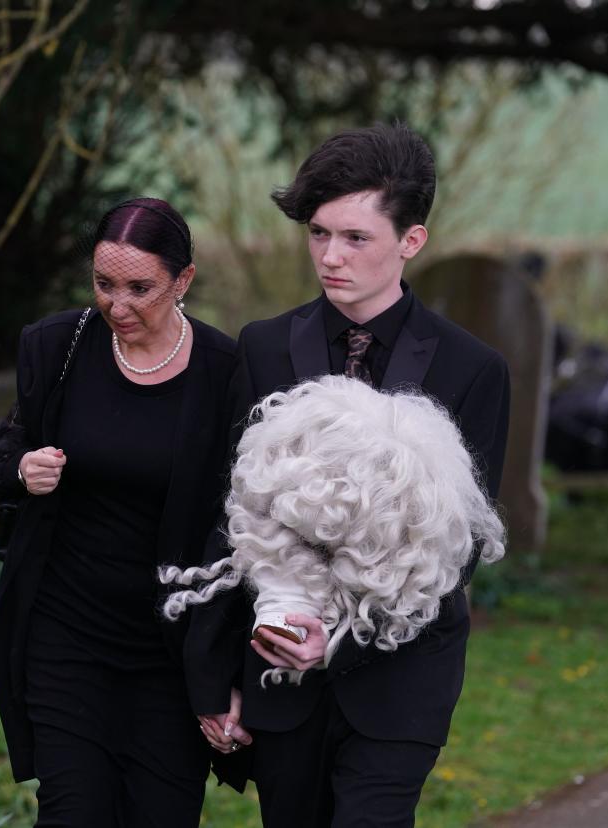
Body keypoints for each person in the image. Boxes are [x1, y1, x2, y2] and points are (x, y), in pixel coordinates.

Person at [184, 123, 511, 827]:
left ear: (411, 241)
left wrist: (337, 641)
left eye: (355, 238)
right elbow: (227, 514)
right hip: (277, 670)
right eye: (317, 233)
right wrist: (212, 679)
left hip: (400, 675)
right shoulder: (265, 348)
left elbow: (460, 550)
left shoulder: (472, 369)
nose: (330, 257)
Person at [0, 198, 247, 826]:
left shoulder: (225, 370)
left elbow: (237, 525)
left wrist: (223, 668)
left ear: (183, 281)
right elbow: (3, 446)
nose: (117, 305)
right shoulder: (57, 348)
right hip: (66, 634)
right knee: (73, 811)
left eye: (139, 287)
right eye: (103, 283)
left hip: (169, 650)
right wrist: (23, 469)